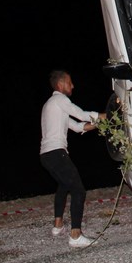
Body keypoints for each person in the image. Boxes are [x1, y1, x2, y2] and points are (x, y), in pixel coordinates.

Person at [39, 69, 106, 248]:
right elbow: (82, 115)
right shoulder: (60, 100)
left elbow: (77, 126)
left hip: (46, 155)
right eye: (69, 83)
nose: (72, 86)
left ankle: (57, 226)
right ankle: (75, 235)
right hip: (56, 153)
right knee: (79, 190)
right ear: (61, 85)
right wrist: (105, 114)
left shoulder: (51, 105)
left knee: (64, 185)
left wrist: (101, 122)